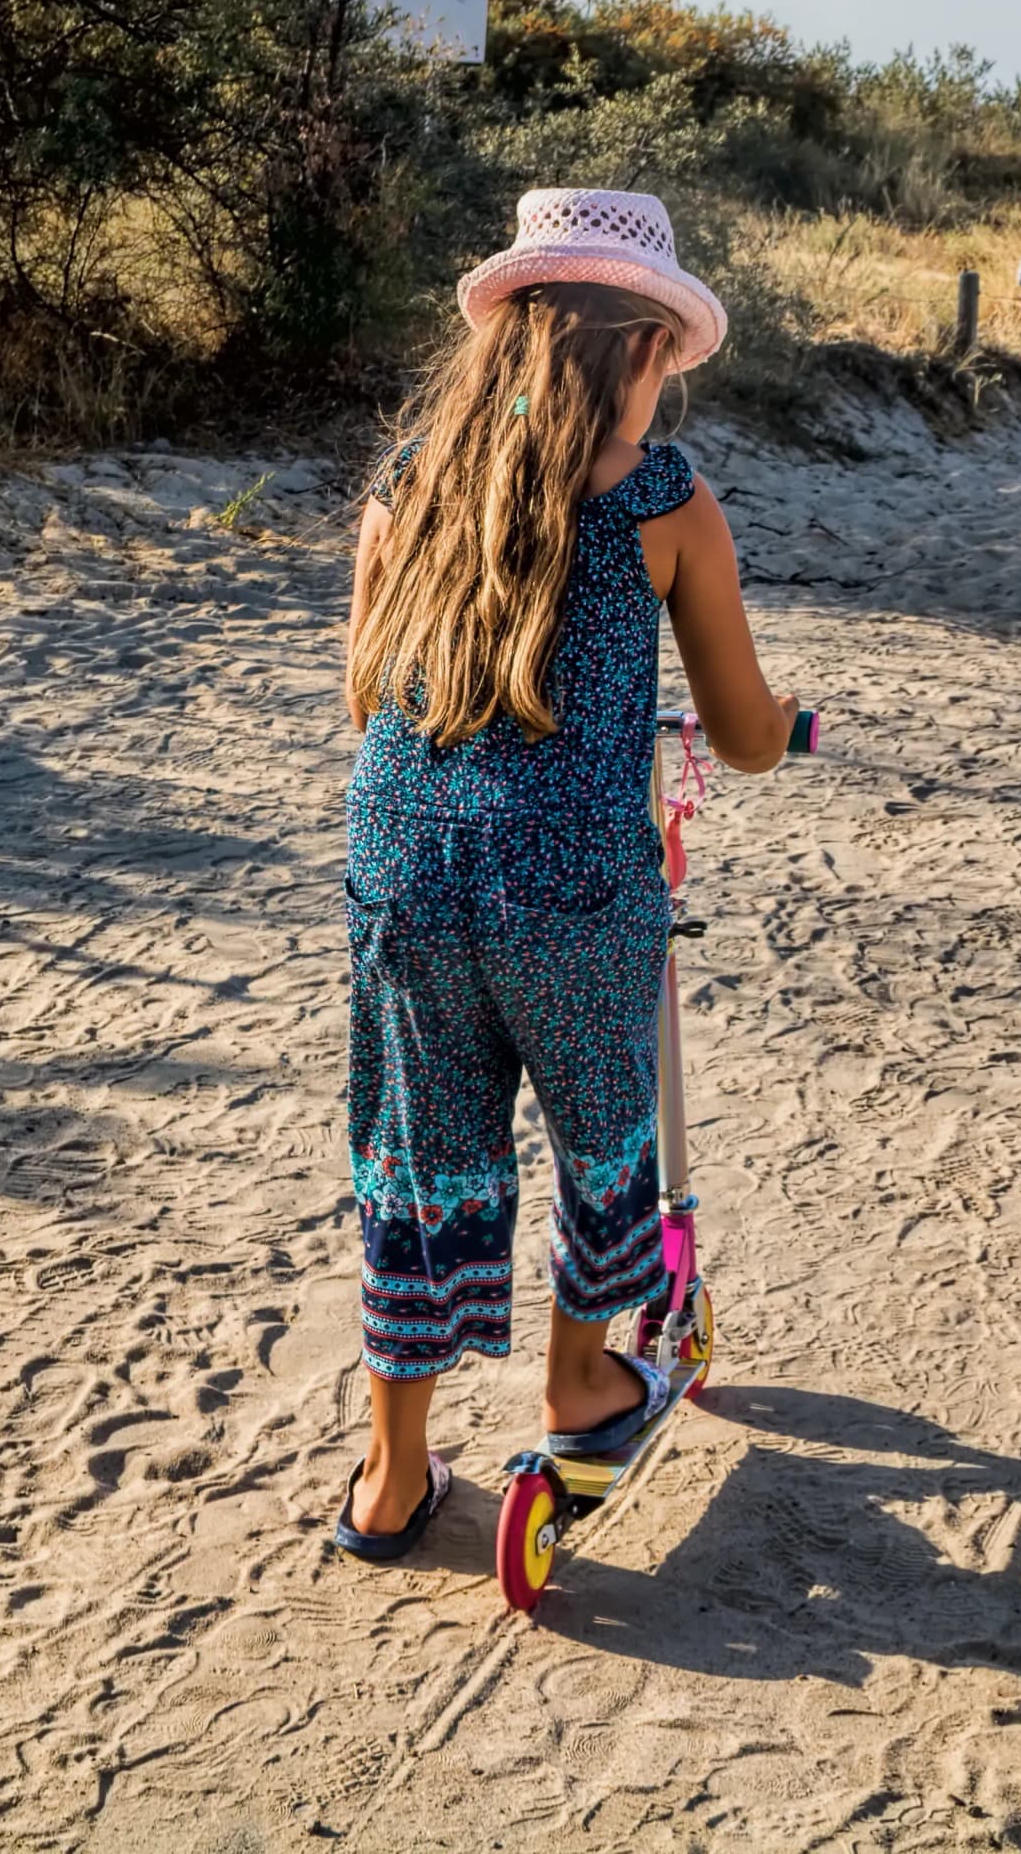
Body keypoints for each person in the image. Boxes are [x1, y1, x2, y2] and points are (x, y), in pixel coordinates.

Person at [327, 188, 808, 1560]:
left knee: (415, 1150)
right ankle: (583, 1379)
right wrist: (786, 725)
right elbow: (741, 734)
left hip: (403, 862)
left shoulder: (408, 477)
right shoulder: (663, 498)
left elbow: (365, 690)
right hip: (570, 883)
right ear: (644, 348)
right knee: (603, 1126)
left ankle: (391, 1476)